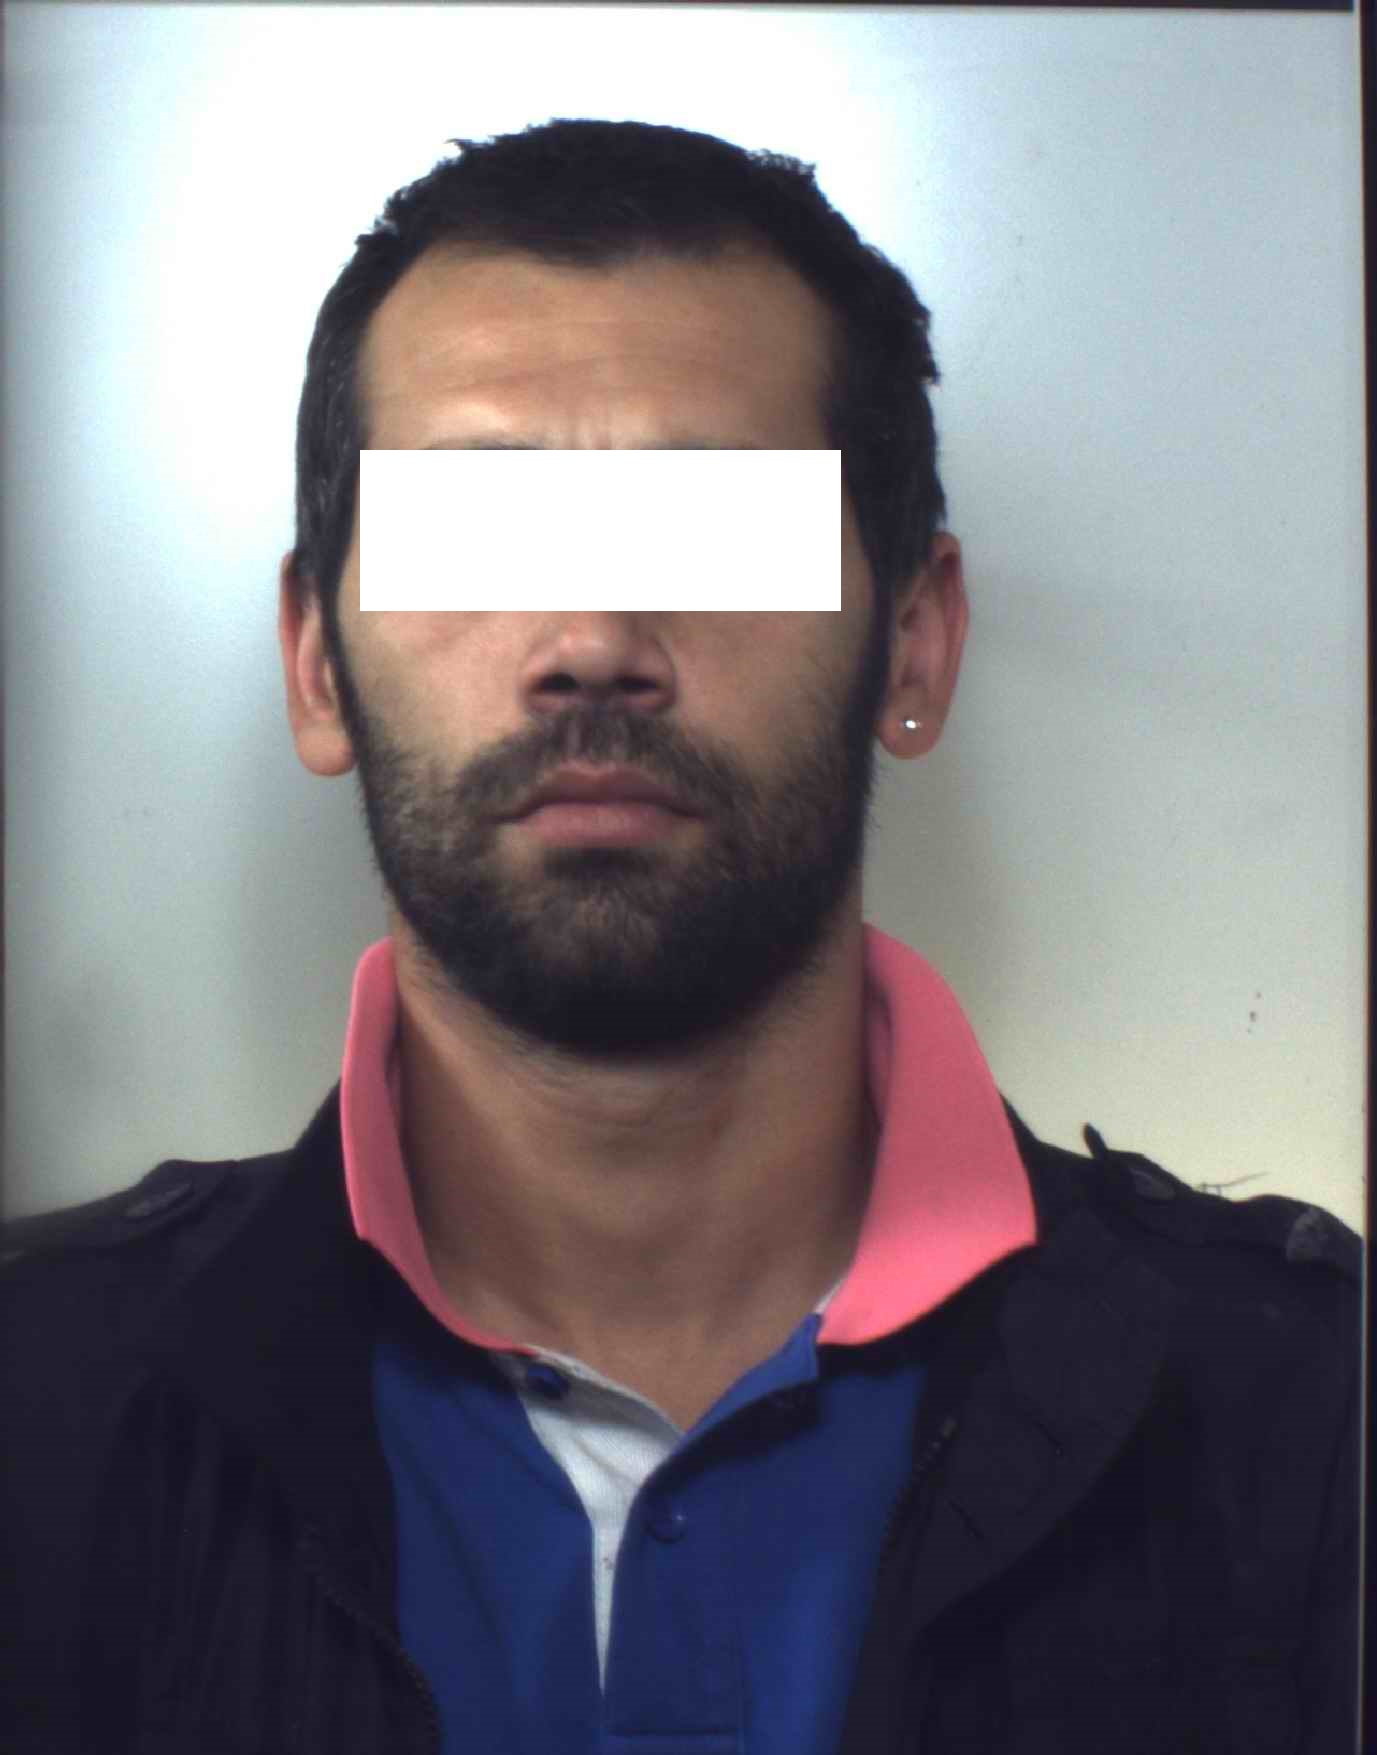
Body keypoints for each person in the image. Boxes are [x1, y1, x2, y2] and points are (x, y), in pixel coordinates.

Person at [0, 118, 1360, 1755]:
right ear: (313, 664)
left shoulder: (1319, 1420)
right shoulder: (34, 1402)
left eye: (712, 534)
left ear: (913, 643)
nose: (591, 640)